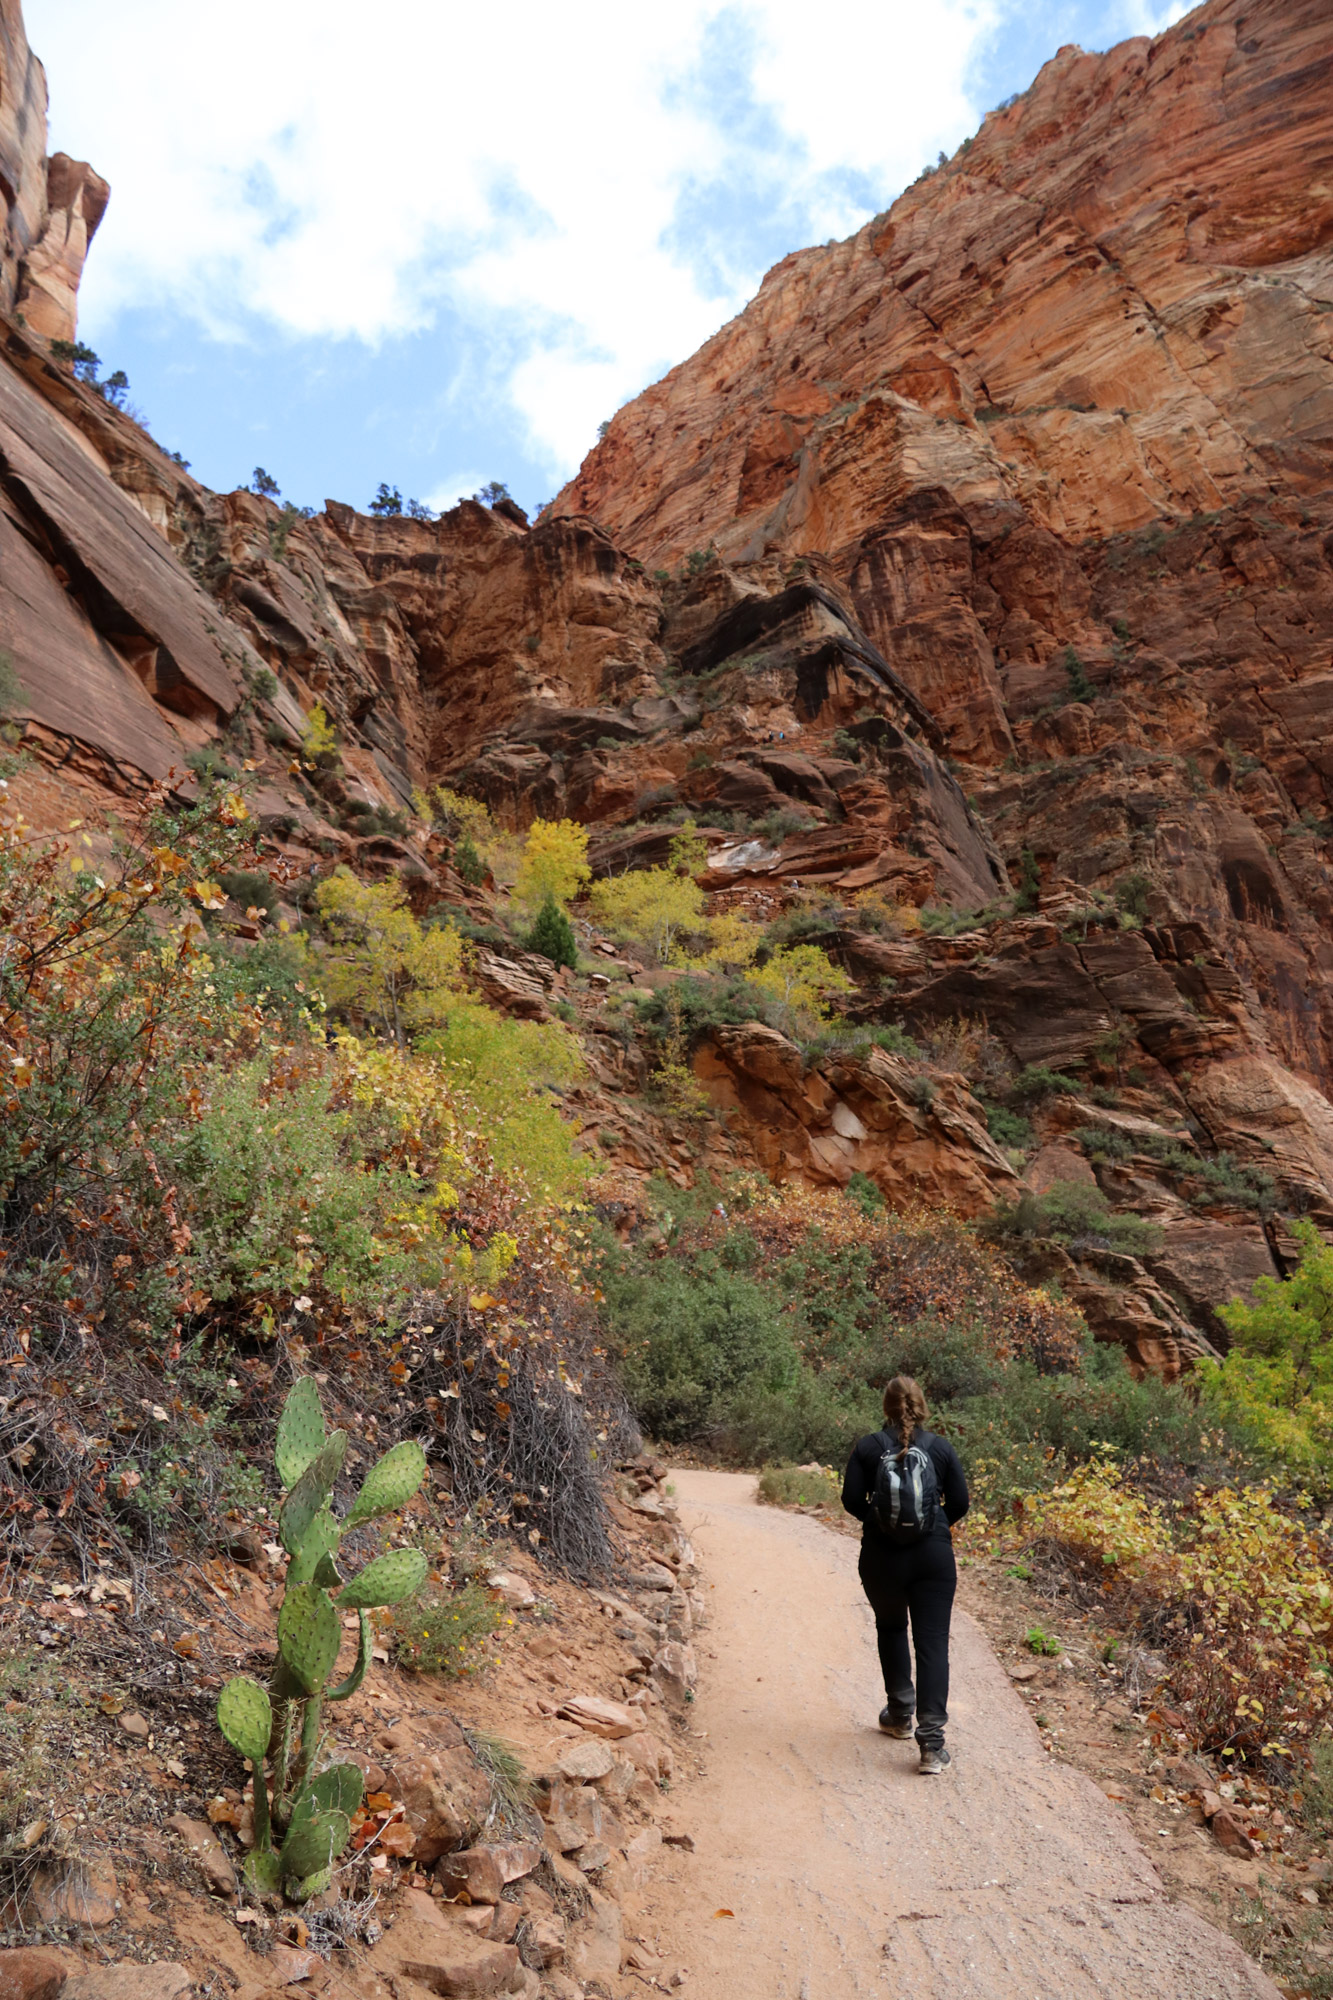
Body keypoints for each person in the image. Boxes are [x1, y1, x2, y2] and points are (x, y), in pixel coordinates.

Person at [842, 1375, 969, 1774]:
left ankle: (899, 1714)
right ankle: (932, 1746)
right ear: (921, 1406)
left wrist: (878, 1522)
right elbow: (961, 1502)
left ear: (886, 1408)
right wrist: (933, 1523)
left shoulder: (867, 1447)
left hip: (882, 1557)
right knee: (932, 1644)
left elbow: (850, 1499)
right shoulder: (941, 1448)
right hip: (933, 1558)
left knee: (892, 1628)